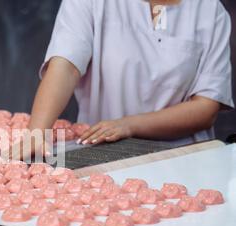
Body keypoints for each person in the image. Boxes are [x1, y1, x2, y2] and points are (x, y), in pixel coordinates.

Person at [26, 0, 234, 154]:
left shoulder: (210, 12)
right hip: (99, 154)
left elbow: (206, 108)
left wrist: (128, 125)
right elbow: (65, 66)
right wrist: (37, 132)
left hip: (184, 157)